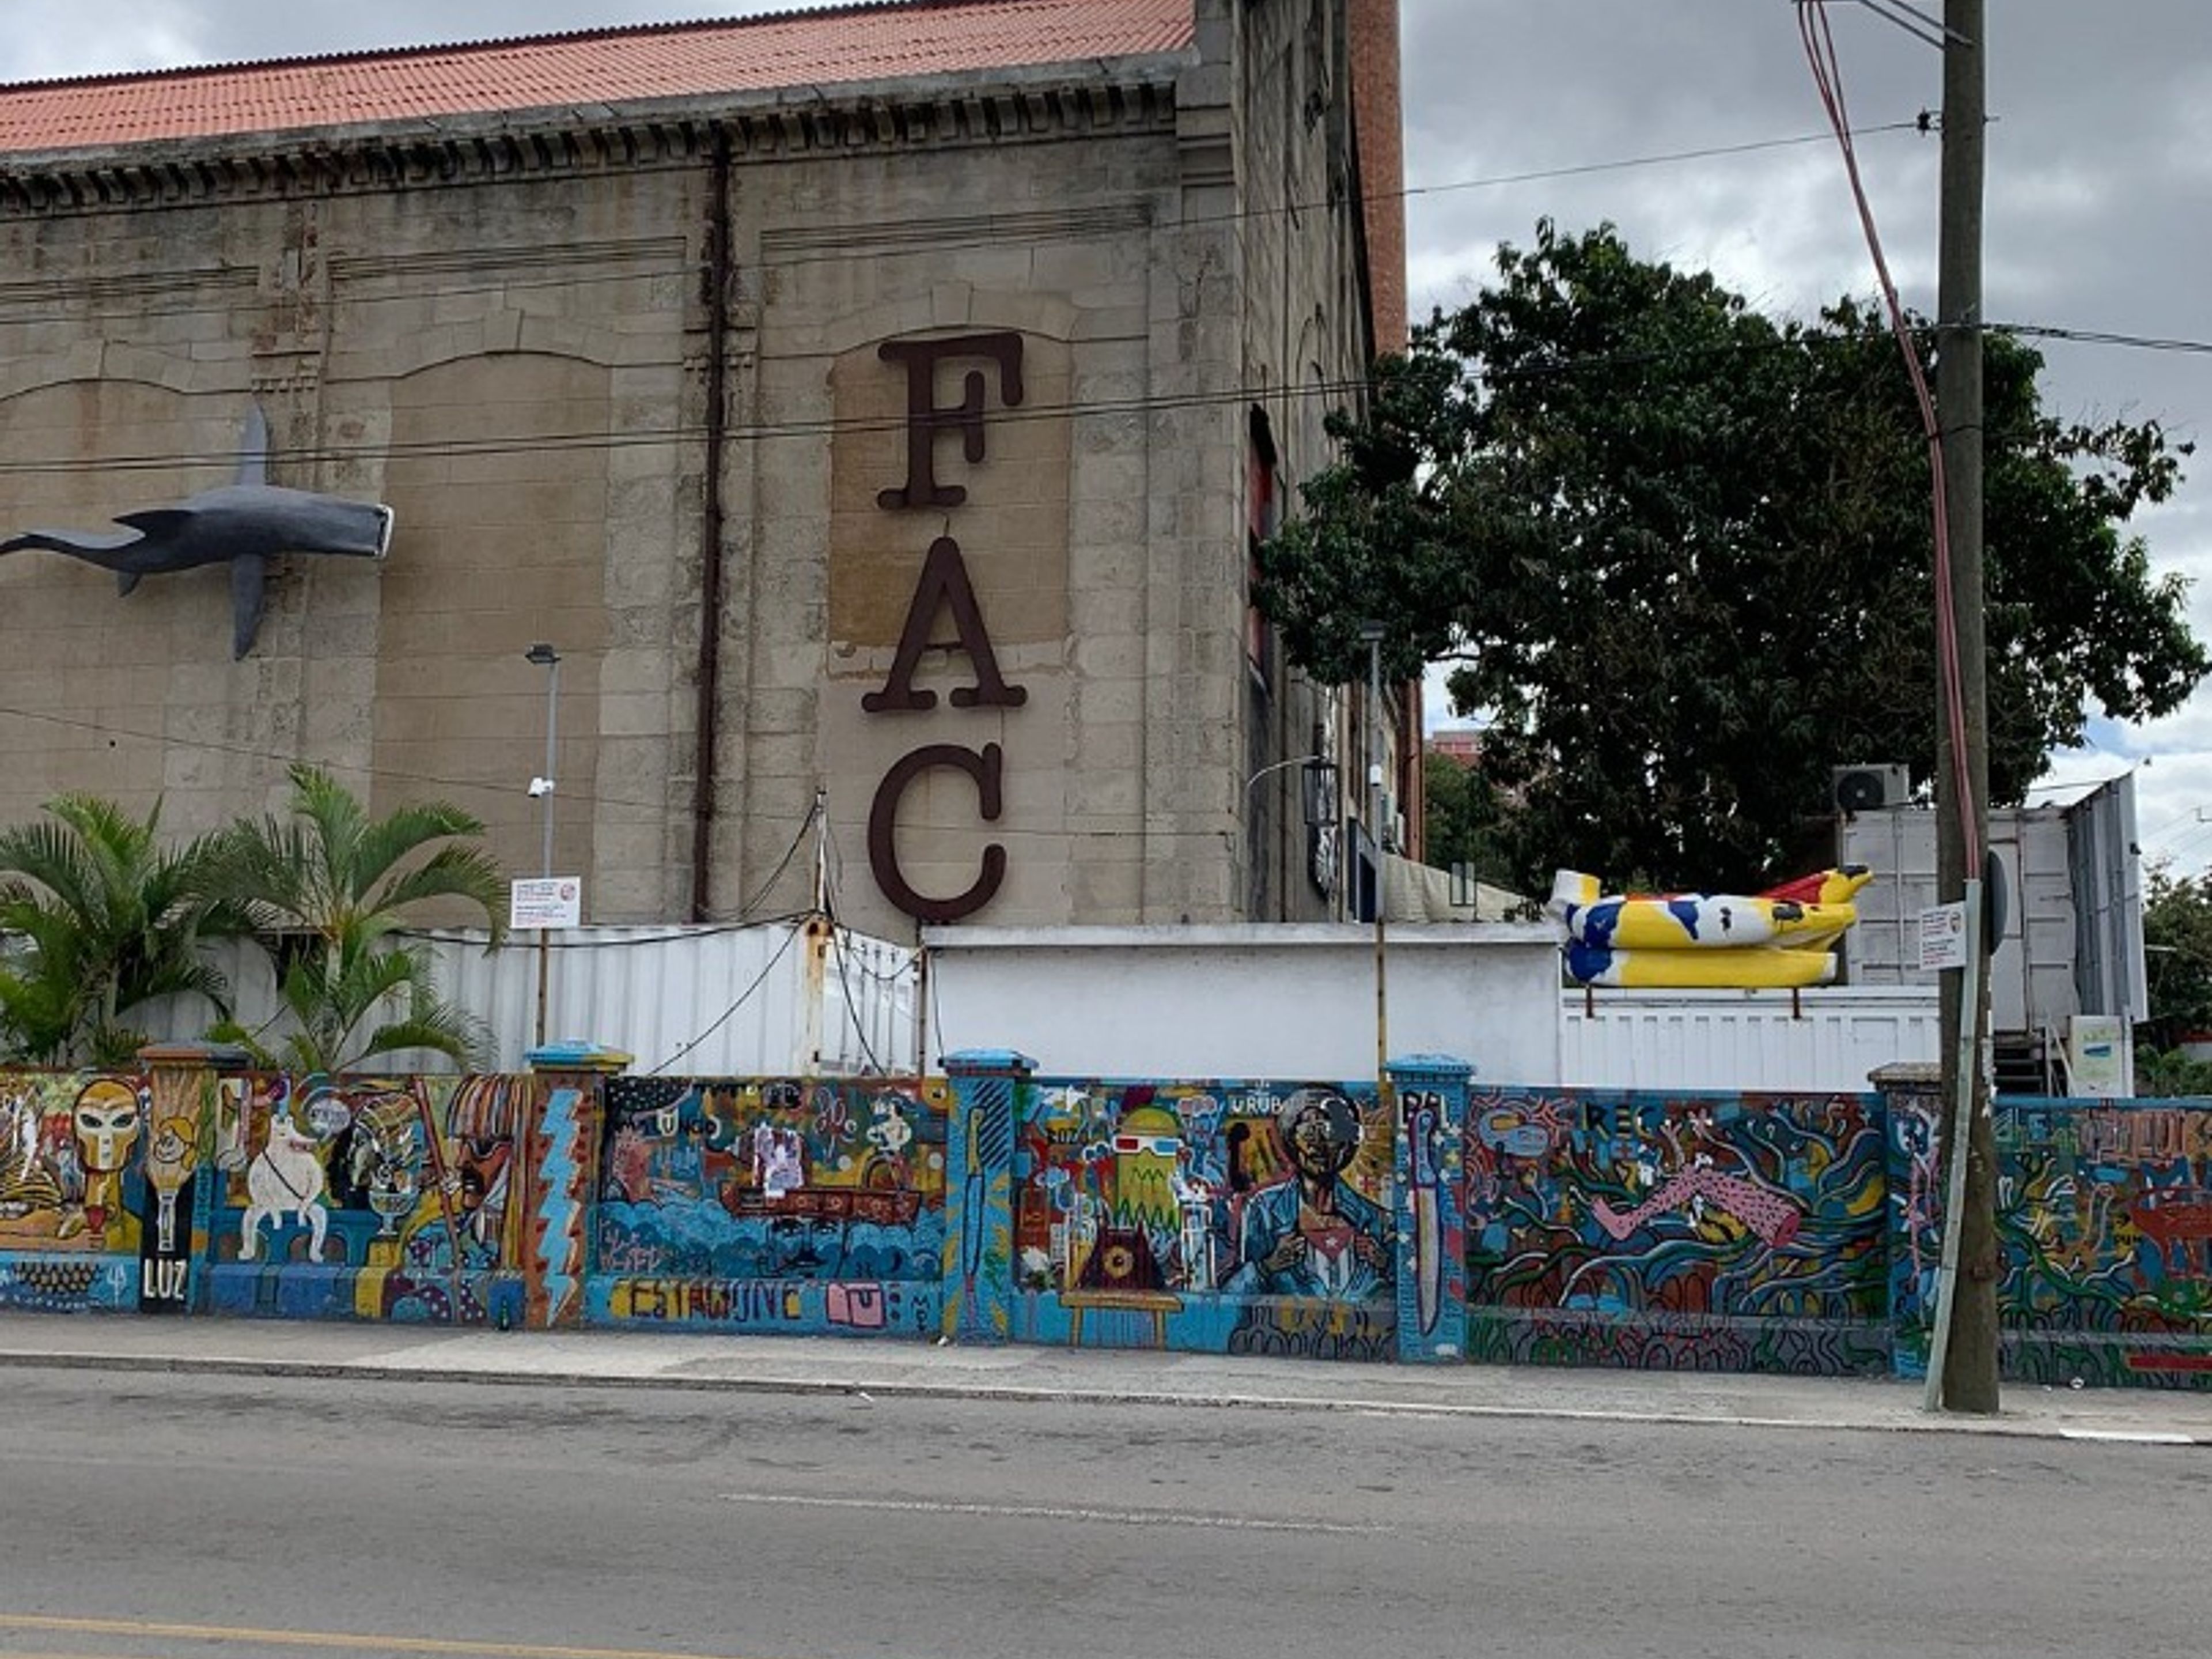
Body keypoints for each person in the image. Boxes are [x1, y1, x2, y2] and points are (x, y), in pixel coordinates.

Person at [1226, 1088, 1390, 1298]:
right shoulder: (1264, 1209)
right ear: (1293, 1139)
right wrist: (1266, 1268)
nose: (1318, 1145)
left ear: (1345, 1146)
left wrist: (1385, 1263)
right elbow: (1235, 1297)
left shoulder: (1373, 1218)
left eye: (1330, 1133)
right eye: (1309, 1132)